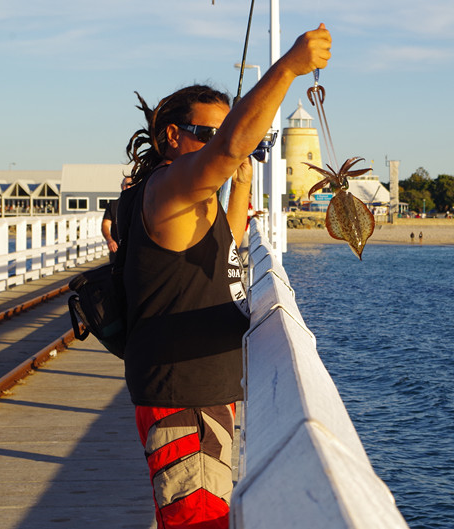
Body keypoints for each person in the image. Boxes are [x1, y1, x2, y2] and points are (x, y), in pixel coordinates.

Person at [120, 24, 331, 529]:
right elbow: (233, 145)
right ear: (172, 136)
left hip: (200, 395)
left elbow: (224, 252)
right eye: (205, 134)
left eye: (221, 133)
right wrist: (289, 67)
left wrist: (240, 187)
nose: (217, 145)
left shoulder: (183, 200)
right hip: (184, 403)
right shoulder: (168, 189)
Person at [101, 177, 133, 262]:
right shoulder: (112, 205)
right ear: (121, 186)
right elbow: (105, 225)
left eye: (130, 185)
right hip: (117, 250)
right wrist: (109, 240)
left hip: (134, 251)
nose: (128, 187)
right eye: (125, 185)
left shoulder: (139, 206)